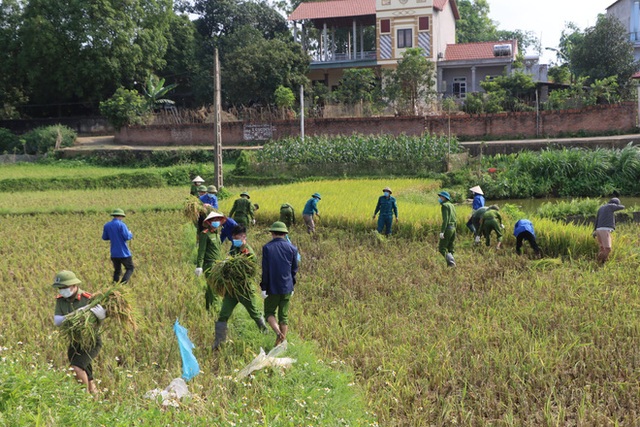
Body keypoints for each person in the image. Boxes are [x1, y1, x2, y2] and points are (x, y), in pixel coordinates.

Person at [213, 225, 267, 350]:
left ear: (244, 237)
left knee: (254, 313)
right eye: (233, 239)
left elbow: (251, 268)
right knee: (223, 314)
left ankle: (266, 334)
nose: (234, 241)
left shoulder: (248, 252)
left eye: (237, 238)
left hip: (244, 290)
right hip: (231, 290)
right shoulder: (234, 249)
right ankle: (219, 343)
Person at [52, 270, 106, 394]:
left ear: (74, 286)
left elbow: (99, 322)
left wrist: (102, 317)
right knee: (89, 377)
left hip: (90, 341)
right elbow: (58, 321)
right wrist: (76, 313)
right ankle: (95, 402)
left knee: (76, 367)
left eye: (65, 287)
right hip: (75, 341)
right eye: (60, 288)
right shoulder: (60, 301)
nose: (62, 290)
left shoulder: (89, 299)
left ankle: (84, 398)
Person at [261, 221, 299, 346]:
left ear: (272, 233)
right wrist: (292, 285)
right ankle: (281, 343)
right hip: (287, 287)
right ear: (285, 233)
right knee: (284, 316)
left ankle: (278, 333)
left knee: (269, 313)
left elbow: (265, 270)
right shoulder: (293, 248)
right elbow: (294, 269)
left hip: (273, 287)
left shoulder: (267, 248)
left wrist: (263, 287)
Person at [196, 210, 226, 310]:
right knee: (215, 289)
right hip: (209, 265)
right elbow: (201, 251)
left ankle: (208, 309)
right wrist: (199, 266)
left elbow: (218, 251)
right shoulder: (205, 234)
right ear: (209, 222)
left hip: (218, 264)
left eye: (218, 220)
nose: (216, 222)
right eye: (214, 220)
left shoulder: (217, 235)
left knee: (211, 289)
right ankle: (216, 311)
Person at [102, 208, 134, 284]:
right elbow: (127, 237)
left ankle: (114, 286)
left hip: (114, 253)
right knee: (130, 268)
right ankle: (123, 284)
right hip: (124, 253)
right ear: (120, 216)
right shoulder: (122, 225)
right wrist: (130, 233)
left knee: (117, 270)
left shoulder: (107, 225)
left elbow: (104, 237)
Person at [593, 197, 625, 263]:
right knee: (608, 249)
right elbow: (622, 207)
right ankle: (601, 263)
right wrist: (616, 205)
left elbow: (597, 220)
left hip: (598, 230)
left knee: (602, 248)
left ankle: (598, 262)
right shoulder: (610, 206)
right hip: (604, 230)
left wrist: (594, 231)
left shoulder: (601, 208)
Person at [438, 191, 456, 267]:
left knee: (442, 248)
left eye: (441, 197)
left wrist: (442, 231)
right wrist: (455, 230)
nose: (439, 198)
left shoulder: (445, 206)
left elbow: (446, 220)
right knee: (450, 247)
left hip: (448, 228)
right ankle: (451, 264)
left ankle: (451, 263)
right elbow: (455, 218)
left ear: (444, 198)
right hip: (453, 228)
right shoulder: (452, 205)